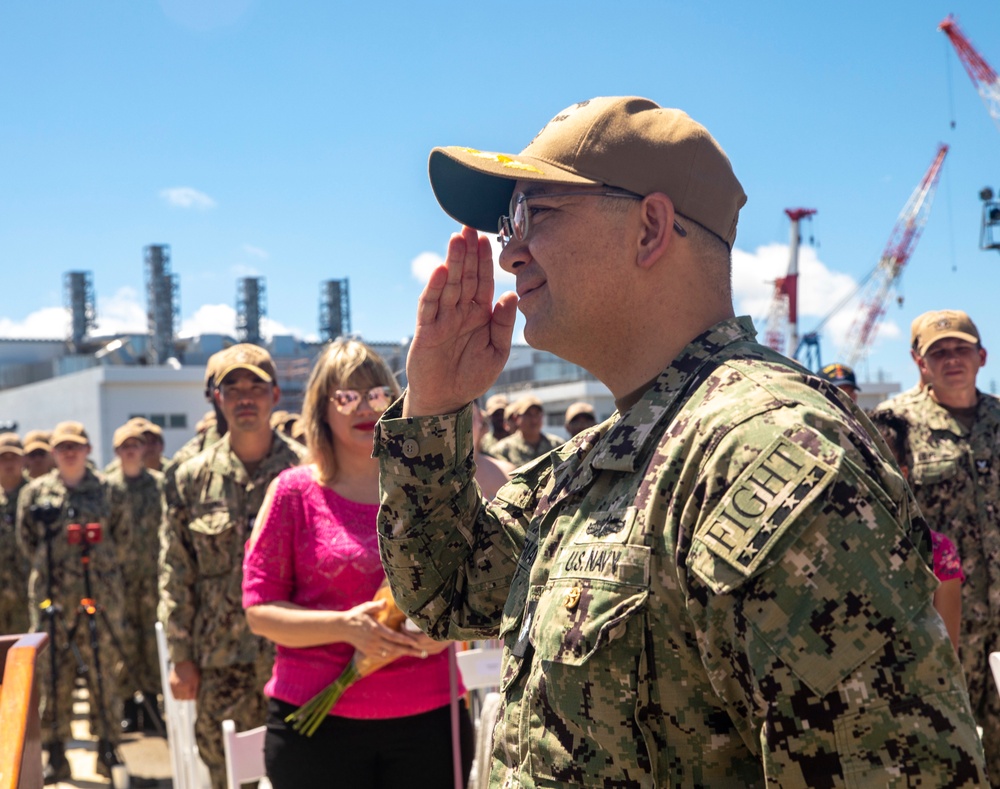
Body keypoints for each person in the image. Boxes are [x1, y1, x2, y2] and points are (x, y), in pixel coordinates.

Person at [374, 96, 988, 786]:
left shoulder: (769, 450)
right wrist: (433, 407)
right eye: (508, 222)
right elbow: (447, 590)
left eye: (535, 214)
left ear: (650, 229)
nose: (510, 249)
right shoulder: (605, 456)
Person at [243, 339, 472, 789]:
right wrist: (346, 626)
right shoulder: (293, 494)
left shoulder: (430, 489)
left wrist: (446, 631)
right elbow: (259, 612)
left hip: (430, 720)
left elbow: (473, 590)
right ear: (321, 410)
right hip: (317, 726)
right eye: (346, 396)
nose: (363, 407)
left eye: (377, 394)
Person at [159, 343, 307, 789]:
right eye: (233, 388)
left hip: (298, 656)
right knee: (228, 777)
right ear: (216, 398)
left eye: (256, 387)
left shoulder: (306, 470)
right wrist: (180, 657)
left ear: (276, 394)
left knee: (303, 773)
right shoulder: (188, 478)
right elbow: (175, 573)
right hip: (221, 663)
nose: (245, 397)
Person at [870, 308, 1000, 775]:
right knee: (943, 750)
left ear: (982, 356)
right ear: (918, 361)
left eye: (961, 348)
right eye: (938, 352)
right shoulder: (892, 426)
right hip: (938, 621)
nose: (951, 359)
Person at [17, 421, 128, 783]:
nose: (69, 452)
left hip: (101, 598)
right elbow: (27, 541)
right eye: (62, 446)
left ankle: (108, 748)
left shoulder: (108, 490)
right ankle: (55, 753)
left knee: (103, 675)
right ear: (53, 452)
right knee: (52, 679)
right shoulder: (35, 493)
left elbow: (122, 539)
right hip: (53, 601)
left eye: (75, 446)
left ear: (88, 449)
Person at [105, 422, 164, 734]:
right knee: (124, 642)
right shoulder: (107, 488)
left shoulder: (159, 484)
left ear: (144, 449)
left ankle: (152, 704)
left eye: (136, 445)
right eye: (124, 446)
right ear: (116, 451)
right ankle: (128, 706)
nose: (130, 450)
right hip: (120, 581)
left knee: (152, 643)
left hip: (153, 578)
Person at [0, 432, 30, 634]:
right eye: (3, 457)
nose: (9, 463)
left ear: (24, 459)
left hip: (27, 594)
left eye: (14, 457)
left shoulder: (36, 494)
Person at [486, 396, 563, 465]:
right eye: (528, 414)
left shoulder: (557, 445)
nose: (534, 420)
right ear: (516, 418)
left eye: (537, 414)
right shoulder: (503, 450)